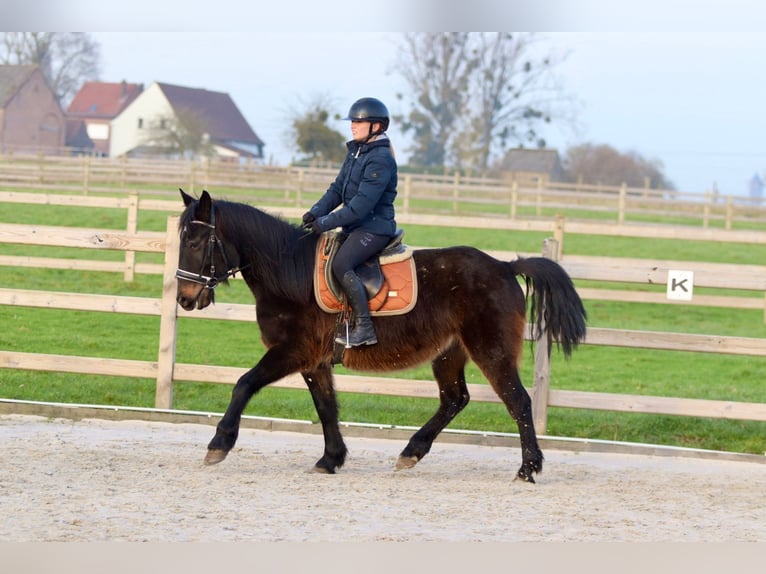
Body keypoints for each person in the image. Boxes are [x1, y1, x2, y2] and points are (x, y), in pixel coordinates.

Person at [302, 97, 398, 347]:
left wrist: (325, 223)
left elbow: (360, 207)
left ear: (376, 126)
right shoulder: (356, 151)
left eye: (358, 122)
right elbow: (337, 189)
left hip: (374, 228)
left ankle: (364, 327)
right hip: (356, 227)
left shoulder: (380, 159)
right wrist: (315, 212)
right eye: (352, 121)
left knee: (342, 264)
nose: (353, 126)